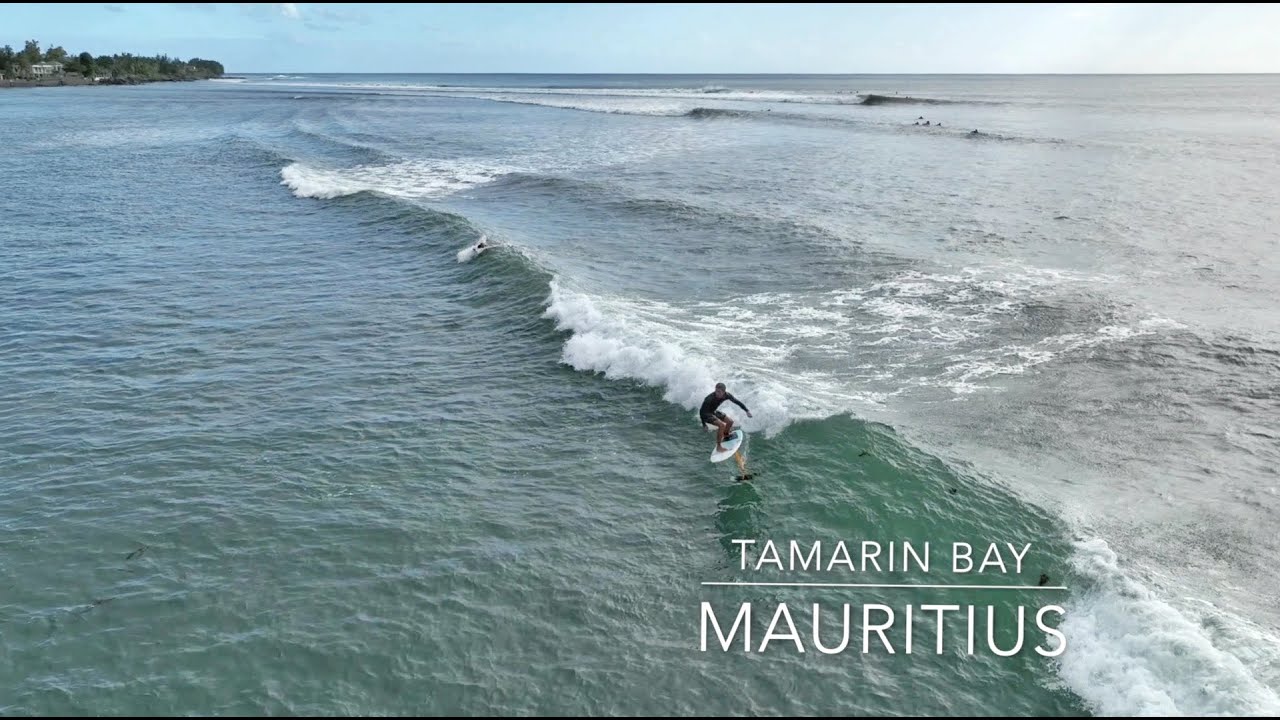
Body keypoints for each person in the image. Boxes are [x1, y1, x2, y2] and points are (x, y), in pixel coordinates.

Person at [700, 382, 752, 453]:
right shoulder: (709, 398)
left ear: (724, 392)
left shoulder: (727, 395)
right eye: (716, 391)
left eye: (719, 392)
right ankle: (719, 447)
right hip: (705, 414)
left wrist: (747, 410)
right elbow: (701, 411)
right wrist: (704, 424)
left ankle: (726, 435)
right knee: (722, 425)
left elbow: (737, 402)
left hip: (713, 411)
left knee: (730, 422)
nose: (717, 393)